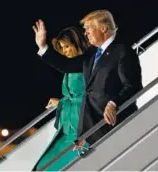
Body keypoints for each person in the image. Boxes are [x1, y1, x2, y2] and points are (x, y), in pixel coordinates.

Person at [33, 9, 143, 150]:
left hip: (116, 125)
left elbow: (133, 86)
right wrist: (42, 47)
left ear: (103, 28)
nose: (86, 33)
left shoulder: (122, 51)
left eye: (89, 28)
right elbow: (67, 66)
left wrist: (114, 103)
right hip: (94, 130)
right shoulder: (91, 58)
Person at [32, 27, 93, 171]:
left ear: (77, 44)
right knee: (42, 167)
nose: (65, 51)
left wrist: (42, 47)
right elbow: (73, 97)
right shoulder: (72, 69)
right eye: (62, 48)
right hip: (67, 127)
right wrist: (61, 102)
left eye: (67, 46)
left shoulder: (86, 64)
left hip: (81, 128)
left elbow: (86, 97)